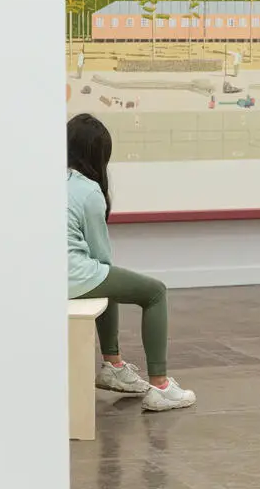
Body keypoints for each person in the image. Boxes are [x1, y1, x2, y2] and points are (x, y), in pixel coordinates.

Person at [67, 113, 196, 412]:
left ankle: (113, 366)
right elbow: (101, 257)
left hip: (48, 274)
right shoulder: (89, 191)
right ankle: (161, 386)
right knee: (155, 292)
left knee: (106, 277)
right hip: (72, 276)